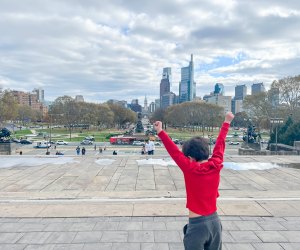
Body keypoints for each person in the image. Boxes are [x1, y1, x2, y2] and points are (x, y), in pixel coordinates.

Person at [154, 112, 234, 250]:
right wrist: (227, 122)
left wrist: (160, 131)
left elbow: (174, 152)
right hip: (215, 223)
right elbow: (220, 144)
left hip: (197, 226)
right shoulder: (216, 164)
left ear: (190, 157)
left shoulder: (190, 168)